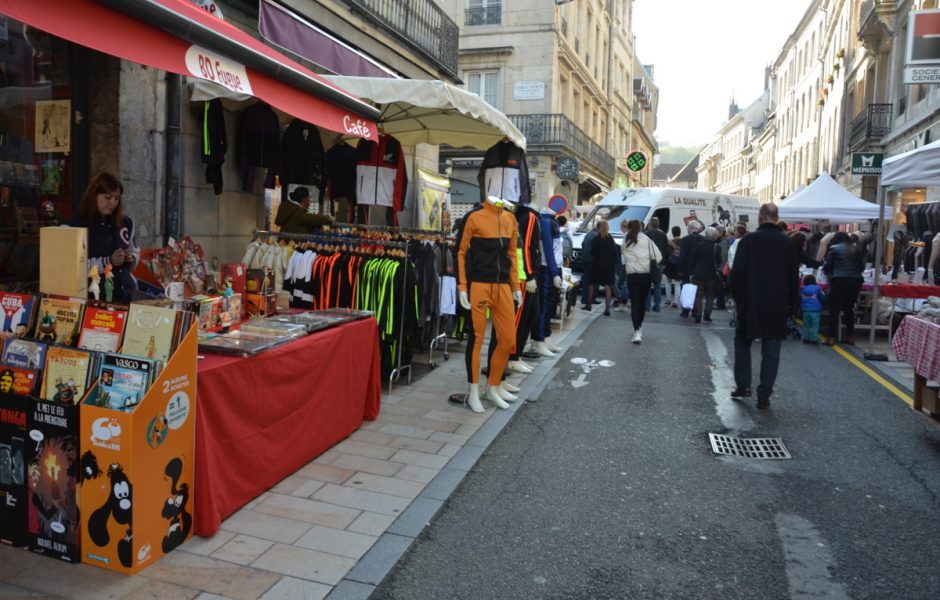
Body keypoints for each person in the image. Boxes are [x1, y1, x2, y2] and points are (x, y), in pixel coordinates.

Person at [730, 203, 799, 409]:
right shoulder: (787, 243)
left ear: (760, 218)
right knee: (771, 348)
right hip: (776, 303)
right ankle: (764, 394)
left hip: (750, 301)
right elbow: (793, 277)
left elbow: (737, 274)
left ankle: (743, 386)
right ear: (776, 219)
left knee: (742, 341)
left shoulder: (748, 241)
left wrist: (738, 298)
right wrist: (791, 304)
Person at [457, 195, 521, 413]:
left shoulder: (510, 218)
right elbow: (461, 252)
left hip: (502, 285)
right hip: (478, 284)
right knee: (476, 339)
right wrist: (463, 286)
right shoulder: (474, 217)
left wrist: (516, 287)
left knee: (507, 339)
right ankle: (473, 391)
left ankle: (492, 387)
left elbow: (511, 255)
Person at [67, 172, 140, 304]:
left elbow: (135, 250)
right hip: (94, 298)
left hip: (127, 295)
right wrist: (108, 261)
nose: (112, 203)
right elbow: (72, 266)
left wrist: (130, 258)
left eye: (117, 199)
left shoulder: (126, 223)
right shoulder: (75, 225)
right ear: (94, 195)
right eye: (108, 197)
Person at [622, 219, 662, 343]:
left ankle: (636, 331)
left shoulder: (626, 240)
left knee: (634, 304)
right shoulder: (647, 240)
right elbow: (658, 256)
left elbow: (623, 254)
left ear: (629, 228)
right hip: (646, 275)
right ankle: (639, 327)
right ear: (640, 228)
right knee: (642, 304)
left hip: (632, 275)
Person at [822, 232, 864, 346]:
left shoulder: (834, 248)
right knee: (849, 308)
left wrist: (825, 270)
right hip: (856, 281)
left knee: (834, 309)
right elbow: (862, 267)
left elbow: (827, 267)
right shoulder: (857, 249)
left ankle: (831, 337)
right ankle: (850, 336)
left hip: (839, 280)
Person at [690, 227, 720, 323]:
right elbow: (719, 261)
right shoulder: (717, 247)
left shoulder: (698, 246)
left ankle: (698, 314)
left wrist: (691, 272)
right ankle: (707, 314)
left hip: (698, 273)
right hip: (711, 275)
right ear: (714, 237)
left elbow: (693, 260)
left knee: (698, 295)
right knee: (710, 295)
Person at [590, 220, 619, 316]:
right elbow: (614, 253)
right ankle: (607, 309)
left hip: (597, 265)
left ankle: (589, 304)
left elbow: (592, 253)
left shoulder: (596, 239)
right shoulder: (610, 238)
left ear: (599, 228)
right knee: (608, 287)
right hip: (609, 266)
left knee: (592, 284)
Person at [678, 219, 705, 317]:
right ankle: (695, 310)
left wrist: (680, 269)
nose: (687, 229)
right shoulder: (703, 239)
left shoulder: (686, 239)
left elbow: (683, 256)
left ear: (690, 228)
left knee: (686, 289)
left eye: (688, 227)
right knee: (698, 291)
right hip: (699, 269)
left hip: (687, 269)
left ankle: (685, 310)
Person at [644, 217, 670, 312]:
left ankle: (647, 305)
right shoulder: (663, 234)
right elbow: (667, 249)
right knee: (657, 284)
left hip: (649, 262)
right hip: (661, 262)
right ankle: (657, 305)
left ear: (650, 224)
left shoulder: (647, 234)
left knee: (647, 283)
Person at [800, 274, 825, 345]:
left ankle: (806, 339)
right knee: (815, 325)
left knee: (806, 325)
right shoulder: (818, 289)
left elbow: (799, 299)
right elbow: (823, 298)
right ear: (814, 281)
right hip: (816, 311)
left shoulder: (802, 289)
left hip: (805, 311)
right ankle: (814, 339)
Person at [580, 221, 599, 309]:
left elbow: (583, 244)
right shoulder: (597, 236)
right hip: (593, 260)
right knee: (593, 281)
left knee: (586, 279)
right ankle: (591, 298)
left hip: (585, 259)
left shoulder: (588, 234)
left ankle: (584, 298)